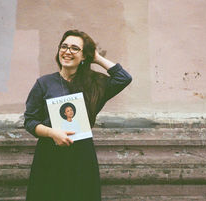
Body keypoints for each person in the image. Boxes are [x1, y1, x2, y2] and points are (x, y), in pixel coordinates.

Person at [24, 29, 132, 201]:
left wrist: (96, 57)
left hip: (81, 155)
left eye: (75, 48)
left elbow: (123, 78)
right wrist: (52, 133)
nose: (67, 51)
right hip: (50, 153)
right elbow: (30, 121)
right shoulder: (44, 83)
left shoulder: (95, 83)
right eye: (64, 46)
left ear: (84, 56)